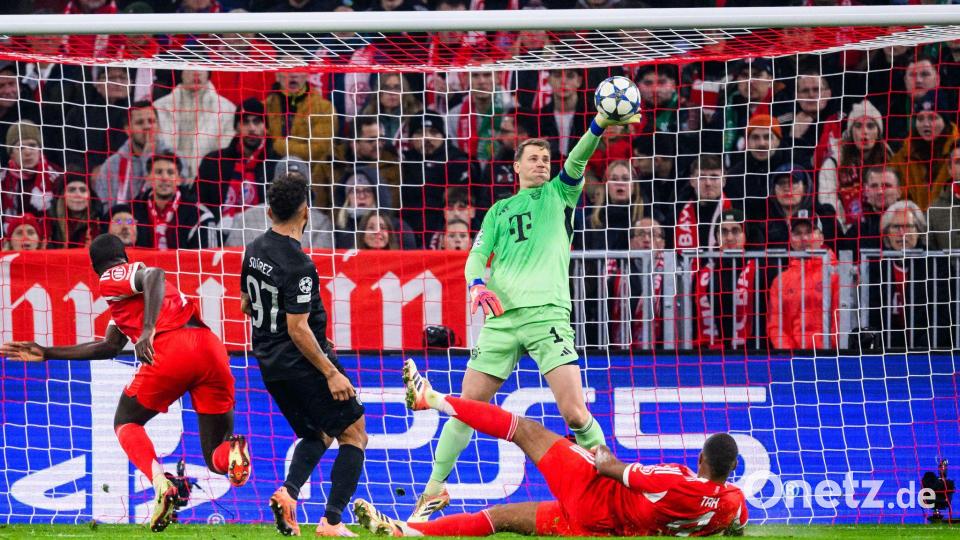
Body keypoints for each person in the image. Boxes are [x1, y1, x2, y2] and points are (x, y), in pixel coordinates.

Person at [407, 107, 638, 522]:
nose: (541, 164)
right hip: (501, 319)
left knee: (574, 412)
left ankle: (611, 490)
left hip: (547, 314)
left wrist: (600, 123)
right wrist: (477, 284)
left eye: (545, 159)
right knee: (466, 406)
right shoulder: (497, 211)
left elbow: (579, 158)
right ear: (516, 167)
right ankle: (432, 492)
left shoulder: (559, 194)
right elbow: (476, 257)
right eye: (533, 158)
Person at [0, 234, 250, 532]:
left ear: (96, 267)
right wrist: (48, 352)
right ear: (124, 254)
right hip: (211, 349)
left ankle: (161, 484)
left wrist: (148, 330)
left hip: (171, 347)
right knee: (215, 456)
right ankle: (233, 453)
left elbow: (154, 274)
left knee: (125, 422)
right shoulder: (128, 302)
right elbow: (109, 347)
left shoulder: (112, 276)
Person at [353, 358, 747, 538]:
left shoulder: (677, 481)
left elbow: (615, 470)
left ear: (700, 459)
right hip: (596, 531)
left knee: (524, 429)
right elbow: (736, 524)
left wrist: (595, 453)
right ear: (731, 470)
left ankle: (430, 398)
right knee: (500, 517)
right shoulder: (730, 503)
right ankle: (409, 532)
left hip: (593, 493)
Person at [239, 172, 367, 537]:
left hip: (269, 364)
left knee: (318, 434)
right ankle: (332, 521)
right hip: (301, 362)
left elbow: (248, 303)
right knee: (354, 434)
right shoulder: (299, 265)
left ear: (268, 212)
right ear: (305, 212)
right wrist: (330, 371)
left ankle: (288, 493)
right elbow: (297, 329)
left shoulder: (254, 249)